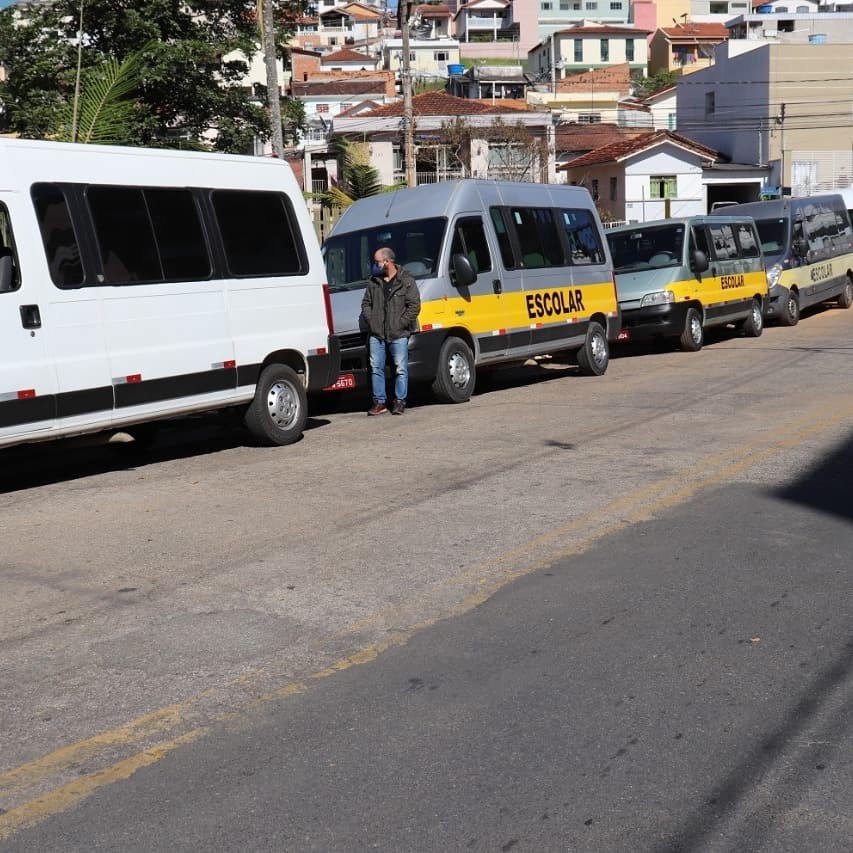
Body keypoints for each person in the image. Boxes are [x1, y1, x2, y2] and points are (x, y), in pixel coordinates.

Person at [361, 246, 421, 415]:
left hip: (398, 333)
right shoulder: (374, 281)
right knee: (376, 367)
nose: (375, 265)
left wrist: (401, 323)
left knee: (400, 368)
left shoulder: (406, 280)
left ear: (387, 262)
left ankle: (400, 401)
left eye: (377, 261)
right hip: (377, 334)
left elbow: (414, 306)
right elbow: (366, 303)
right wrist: (372, 321)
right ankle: (379, 402)